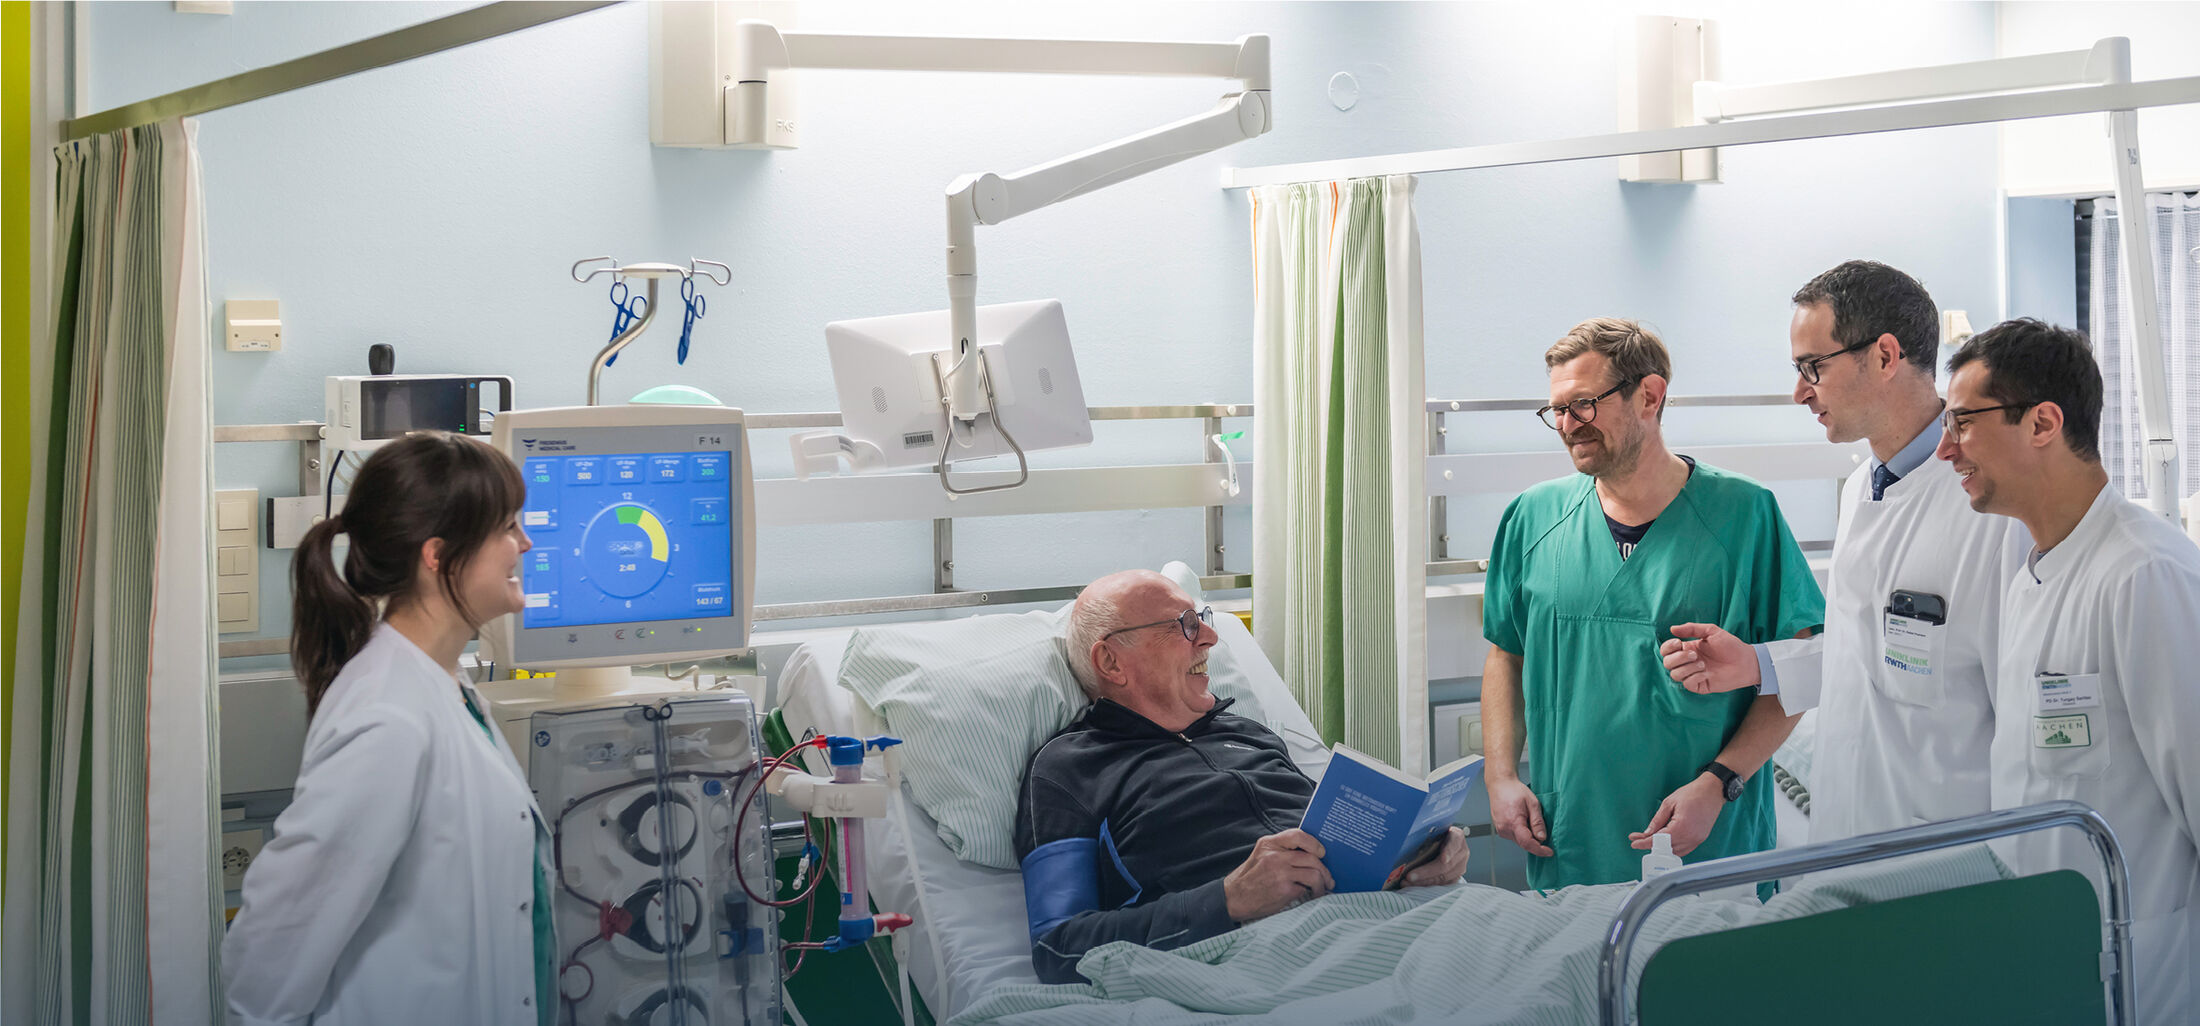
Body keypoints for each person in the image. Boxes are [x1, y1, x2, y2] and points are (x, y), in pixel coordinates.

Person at [1656, 261, 2030, 842]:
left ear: (1884, 356)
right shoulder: (1862, 487)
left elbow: (2027, 717)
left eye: (1814, 367)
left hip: (1948, 848)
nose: (1800, 392)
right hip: (1847, 829)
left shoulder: (1995, 509)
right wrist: (1755, 664)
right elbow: (1867, 650)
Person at [223, 432, 552, 1026]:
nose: (524, 543)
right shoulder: (387, 717)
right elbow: (276, 945)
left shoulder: (440, 683)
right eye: (507, 527)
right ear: (438, 555)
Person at [1482, 319, 1823, 892]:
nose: (1567, 425)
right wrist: (1500, 776)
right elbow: (1505, 654)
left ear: (1649, 396)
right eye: (1557, 410)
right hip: (1574, 835)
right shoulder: (1532, 518)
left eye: (1583, 404)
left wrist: (1720, 782)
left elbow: (1798, 670)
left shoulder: (1744, 515)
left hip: (1711, 834)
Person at [1013, 570, 1470, 984]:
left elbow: (1334, 839)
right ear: (1111, 662)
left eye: (1202, 619)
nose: (1210, 637)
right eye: (1184, 625)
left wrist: (1424, 849)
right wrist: (1228, 899)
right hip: (1259, 954)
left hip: (1396, 919)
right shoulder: (1069, 767)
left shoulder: (1251, 734)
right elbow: (1058, 947)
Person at [1931, 318, 2200, 1022]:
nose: (1945, 449)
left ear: (2043, 423)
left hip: (2147, 979)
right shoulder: (2034, 574)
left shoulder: (2144, 575)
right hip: (2049, 959)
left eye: (1962, 422)